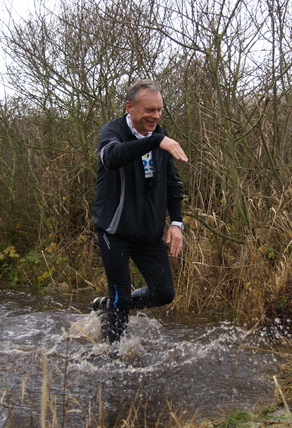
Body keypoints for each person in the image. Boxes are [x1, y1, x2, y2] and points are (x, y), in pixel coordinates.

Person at [92, 79, 188, 343]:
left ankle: (107, 306)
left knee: (163, 293)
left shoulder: (160, 136)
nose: (155, 116)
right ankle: (114, 363)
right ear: (130, 107)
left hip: (148, 233)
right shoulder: (113, 131)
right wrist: (155, 142)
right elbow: (112, 157)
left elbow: (172, 184)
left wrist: (176, 222)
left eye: (159, 110)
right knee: (120, 297)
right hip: (115, 231)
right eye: (149, 110)